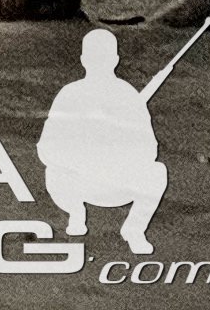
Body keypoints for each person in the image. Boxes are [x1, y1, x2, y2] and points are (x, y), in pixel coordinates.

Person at [38, 28, 171, 255]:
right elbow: (46, 148)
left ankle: (134, 229)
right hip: (79, 183)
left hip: (118, 183)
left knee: (157, 172)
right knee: (54, 172)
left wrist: (117, 145)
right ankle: (76, 213)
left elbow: (149, 149)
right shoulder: (71, 95)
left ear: (83, 60)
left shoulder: (127, 96)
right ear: (115, 60)